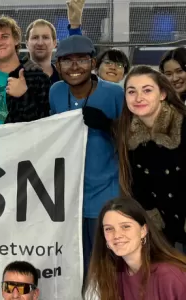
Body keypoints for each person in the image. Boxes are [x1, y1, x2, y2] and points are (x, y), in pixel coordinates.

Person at [49, 35, 124, 275]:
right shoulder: (56, 91)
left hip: (106, 193)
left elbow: (132, 140)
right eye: (66, 61)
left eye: (81, 59)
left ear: (93, 63)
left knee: (106, 264)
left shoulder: (114, 94)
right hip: (68, 197)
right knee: (75, 265)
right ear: (57, 66)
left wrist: (109, 125)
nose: (74, 67)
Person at [116, 65, 186, 249]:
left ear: (162, 94)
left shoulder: (183, 125)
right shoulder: (128, 135)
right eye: (132, 91)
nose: (138, 98)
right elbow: (137, 186)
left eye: (147, 90)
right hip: (161, 231)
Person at [85, 197, 186, 299]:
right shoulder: (113, 272)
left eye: (125, 226)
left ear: (143, 230)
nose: (117, 235)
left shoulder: (170, 275)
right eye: (109, 229)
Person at [0, 15, 50, 126]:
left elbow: (45, 126)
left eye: (4, 36)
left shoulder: (37, 79)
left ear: (16, 39)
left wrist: (23, 95)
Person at [25, 0, 83, 83]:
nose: (40, 43)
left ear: (55, 43)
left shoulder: (64, 78)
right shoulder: (16, 76)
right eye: (35, 37)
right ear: (27, 43)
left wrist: (75, 26)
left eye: (45, 37)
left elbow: (77, 56)